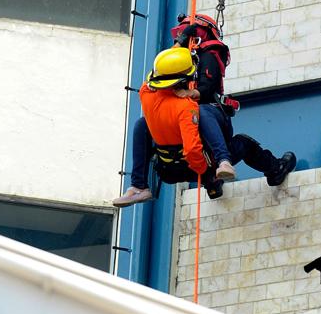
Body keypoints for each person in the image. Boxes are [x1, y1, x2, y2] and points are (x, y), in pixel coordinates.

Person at [112, 46, 297, 208]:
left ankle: (138, 185)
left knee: (141, 124)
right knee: (243, 143)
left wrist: (179, 45)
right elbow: (192, 150)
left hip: (167, 171)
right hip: (196, 167)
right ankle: (275, 170)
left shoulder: (146, 94)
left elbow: (159, 72)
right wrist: (206, 174)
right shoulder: (186, 107)